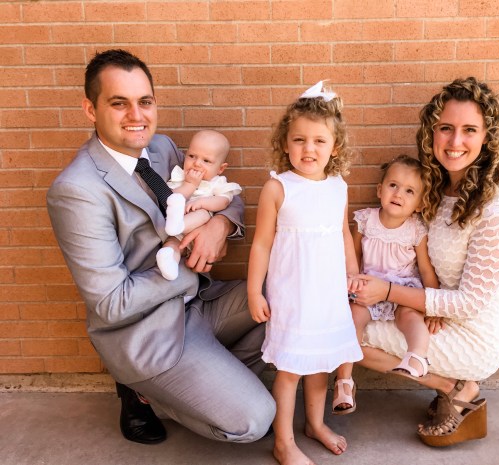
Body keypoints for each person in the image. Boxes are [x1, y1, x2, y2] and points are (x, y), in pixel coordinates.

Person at [46, 49, 275, 445]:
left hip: (199, 304)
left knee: (289, 294)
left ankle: (204, 381)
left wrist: (219, 225)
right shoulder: (77, 190)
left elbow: (221, 191)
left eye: (145, 101)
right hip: (146, 332)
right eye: (119, 103)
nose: (137, 115)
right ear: (90, 109)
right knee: (255, 420)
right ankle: (147, 392)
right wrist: (187, 265)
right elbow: (111, 303)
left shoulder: (163, 148)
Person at [351, 77, 499, 447]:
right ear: (432, 131)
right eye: (446, 128)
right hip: (428, 307)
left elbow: (470, 302)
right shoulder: (431, 186)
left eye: (469, 130)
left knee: (344, 337)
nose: (455, 141)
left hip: (475, 330)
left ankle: (455, 386)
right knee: (342, 324)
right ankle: (452, 385)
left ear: (488, 137)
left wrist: (389, 292)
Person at [247, 81, 363, 465]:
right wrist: (254, 291)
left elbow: (343, 232)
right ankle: (283, 442)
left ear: (335, 147)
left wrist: (352, 273)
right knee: (292, 369)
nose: (308, 149)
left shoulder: (338, 187)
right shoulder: (278, 188)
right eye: (299, 140)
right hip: (293, 295)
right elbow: (261, 244)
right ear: (285, 143)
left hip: (328, 294)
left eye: (319, 141)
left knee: (321, 365)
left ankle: (315, 423)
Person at [333, 155, 439, 415]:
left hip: (402, 289)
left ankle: (417, 356)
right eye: (393, 185)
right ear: (380, 190)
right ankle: (344, 382)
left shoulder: (416, 230)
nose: (398, 194)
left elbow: (426, 269)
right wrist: (349, 284)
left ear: (419, 203)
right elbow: (352, 257)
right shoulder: (365, 221)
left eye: (409, 191)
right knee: (351, 319)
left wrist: (436, 306)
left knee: (410, 317)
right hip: (368, 287)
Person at [156, 129, 242, 280]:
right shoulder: (180, 176)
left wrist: (202, 203)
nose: (196, 163)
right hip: (175, 229)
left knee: (203, 214)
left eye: (206, 161)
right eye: (191, 156)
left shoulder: (217, 183)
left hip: (199, 228)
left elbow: (224, 201)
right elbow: (170, 197)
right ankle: (169, 259)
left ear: (220, 168)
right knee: (172, 245)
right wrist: (190, 185)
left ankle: (178, 229)